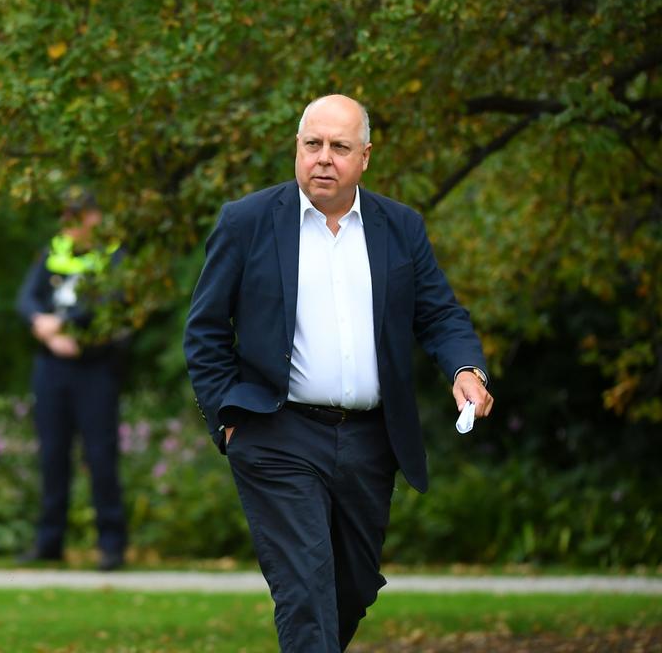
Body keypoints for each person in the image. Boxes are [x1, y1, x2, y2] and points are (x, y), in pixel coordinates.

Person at [183, 95, 495, 651]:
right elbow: (204, 331)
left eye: (339, 147)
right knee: (305, 589)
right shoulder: (247, 222)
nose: (323, 158)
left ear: (365, 156)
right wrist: (228, 423)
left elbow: (441, 314)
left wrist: (466, 368)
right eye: (312, 145)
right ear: (297, 149)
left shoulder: (399, 227)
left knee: (350, 588)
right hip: (276, 434)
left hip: (370, 441)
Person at [15, 191, 128, 571]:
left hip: (95, 366)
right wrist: (45, 331)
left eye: (78, 217)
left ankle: (111, 546)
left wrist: (63, 324)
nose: (72, 224)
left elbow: (111, 303)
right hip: (52, 366)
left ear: (95, 218)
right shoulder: (53, 250)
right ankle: (49, 542)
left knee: (100, 457)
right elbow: (26, 299)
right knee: (52, 455)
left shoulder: (114, 255)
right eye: (67, 217)